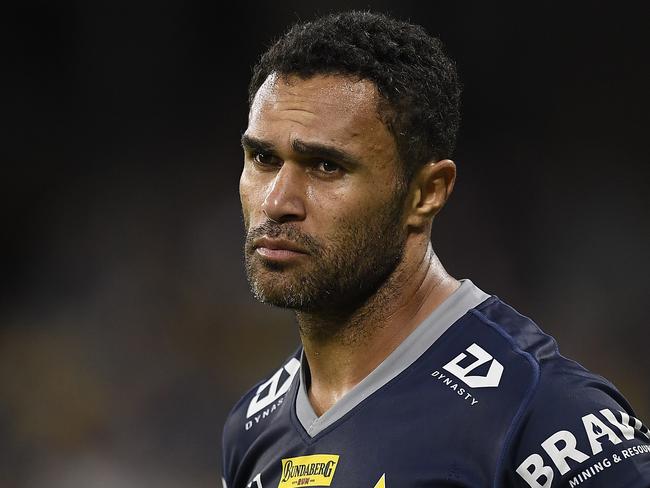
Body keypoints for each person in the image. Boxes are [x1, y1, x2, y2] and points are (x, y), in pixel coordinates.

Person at [221, 11, 650, 488]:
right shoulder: (251, 430)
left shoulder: (539, 413)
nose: (277, 201)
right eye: (263, 158)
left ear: (426, 193)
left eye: (325, 166)